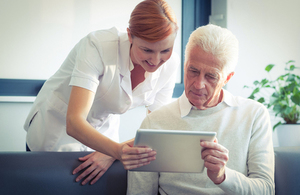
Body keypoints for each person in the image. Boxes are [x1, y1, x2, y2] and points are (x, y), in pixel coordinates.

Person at [23, 0, 179, 186]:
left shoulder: (171, 64)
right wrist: (116, 151)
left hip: (105, 132)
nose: (156, 60)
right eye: (146, 50)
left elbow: (157, 130)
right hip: (56, 128)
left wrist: (110, 152)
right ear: (130, 35)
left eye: (165, 50)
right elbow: (74, 122)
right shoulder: (97, 46)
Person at [127, 24, 275, 194]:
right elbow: (139, 192)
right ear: (184, 66)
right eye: (193, 71)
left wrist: (223, 176)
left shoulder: (254, 115)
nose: (198, 84)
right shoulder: (154, 122)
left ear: (227, 78)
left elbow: (266, 190)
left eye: (211, 76)